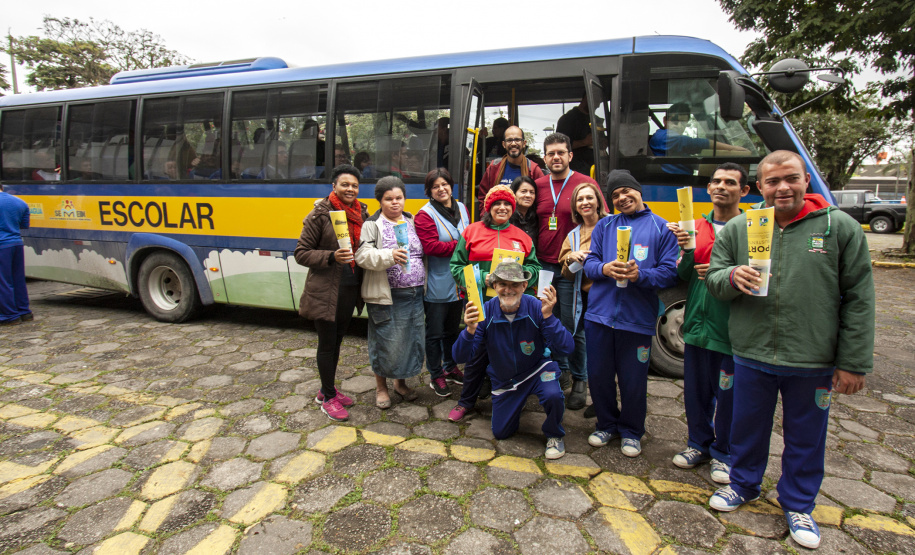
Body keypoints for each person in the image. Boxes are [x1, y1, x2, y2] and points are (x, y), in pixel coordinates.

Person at [705, 151, 874, 550]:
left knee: (806, 436)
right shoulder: (740, 228)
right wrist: (732, 276)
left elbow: (859, 298)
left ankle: (798, 503)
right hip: (751, 351)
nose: (783, 187)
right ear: (760, 187)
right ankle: (743, 484)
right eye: (773, 181)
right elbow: (713, 279)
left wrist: (853, 362)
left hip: (811, 357)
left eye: (791, 178)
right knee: (746, 426)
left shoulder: (839, 227)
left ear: (806, 181)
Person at [583, 169, 679, 457]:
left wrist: (641, 275)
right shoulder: (604, 226)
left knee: (633, 380)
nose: (622, 198)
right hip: (599, 316)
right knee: (598, 376)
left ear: (638, 191)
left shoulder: (662, 228)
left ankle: (632, 431)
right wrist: (604, 269)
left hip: (636, 319)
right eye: (615, 195)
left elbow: (669, 273)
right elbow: (589, 265)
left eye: (627, 191)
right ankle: (606, 424)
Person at [667, 162, 750, 484]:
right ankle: (697, 444)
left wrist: (726, 275)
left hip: (731, 327)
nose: (720, 187)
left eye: (730, 182)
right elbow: (683, 275)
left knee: (728, 394)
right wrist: (685, 250)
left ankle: (724, 453)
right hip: (698, 324)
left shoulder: (751, 228)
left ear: (743, 191)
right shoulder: (697, 226)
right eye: (716, 181)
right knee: (695, 392)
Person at [453, 260, 572, 459]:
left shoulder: (537, 306)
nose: (509, 290)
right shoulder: (485, 312)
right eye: (503, 284)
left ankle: (554, 434)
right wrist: (470, 330)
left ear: (524, 286)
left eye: (515, 284)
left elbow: (567, 347)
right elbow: (460, 357)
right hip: (506, 379)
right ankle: (516, 403)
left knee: (552, 394)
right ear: (494, 286)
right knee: (501, 433)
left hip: (537, 370)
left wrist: (549, 316)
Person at [448, 185, 541, 422]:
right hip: (480, 303)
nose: (502, 208)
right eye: (496, 204)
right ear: (488, 208)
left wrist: (521, 275)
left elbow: (535, 268)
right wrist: (482, 278)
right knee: (476, 353)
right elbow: (456, 266)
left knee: (512, 350)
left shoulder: (522, 237)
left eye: (507, 204)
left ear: (513, 208)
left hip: (512, 307)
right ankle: (465, 401)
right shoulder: (471, 232)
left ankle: (515, 396)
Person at [294, 164, 368, 421]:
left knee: (337, 341)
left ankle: (327, 389)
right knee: (327, 344)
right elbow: (301, 253)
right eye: (345, 184)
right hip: (325, 291)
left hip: (350, 288)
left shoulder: (361, 212)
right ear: (333, 186)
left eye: (355, 185)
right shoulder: (319, 215)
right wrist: (331, 256)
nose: (350, 189)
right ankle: (327, 397)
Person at [534, 132, 604, 392]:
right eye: (551, 153)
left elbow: (603, 221)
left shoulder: (585, 184)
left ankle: (580, 379)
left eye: (561, 152)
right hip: (543, 265)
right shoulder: (538, 184)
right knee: (548, 319)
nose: (556, 157)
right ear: (544, 157)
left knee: (573, 323)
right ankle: (560, 371)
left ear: (570, 155)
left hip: (572, 268)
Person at [355, 176, 426, 408]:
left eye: (399, 198)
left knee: (407, 341)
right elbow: (362, 256)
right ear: (380, 201)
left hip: (414, 295)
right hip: (387, 296)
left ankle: (400, 383)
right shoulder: (372, 224)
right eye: (389, 199)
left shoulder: (411, 220)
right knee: (384, 341)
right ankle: (381, 388)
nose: (395, 203)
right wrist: (389, 256)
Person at [415, 168, 470, 397]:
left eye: (445, 184)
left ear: (451, 185)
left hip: (460, 281)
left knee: (452, 330)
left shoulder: (462, 208)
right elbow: (430, 247)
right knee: (435, 332)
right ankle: (435, 374)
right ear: (429, 190)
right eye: (436, 186)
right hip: (438, 282)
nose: (441, 189)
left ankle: (450, 366)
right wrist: (462, 248)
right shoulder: (424, 215)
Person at [558, 181, 609, 410]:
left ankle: (604, 394)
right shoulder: (574, 235)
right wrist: (571, 259)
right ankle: (580, 381)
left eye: (589, 198)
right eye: (580, 200)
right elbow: (567, 274)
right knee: (577, 334)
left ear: (598, 200)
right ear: (575, 207)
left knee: (605, 342)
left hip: (607, 295)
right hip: (581, 293)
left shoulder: (612, 225)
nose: (585, 203)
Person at [649, 102, 749, 174]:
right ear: (665, 120)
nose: (679, 126)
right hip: (673, 185)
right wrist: (733, 149)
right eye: (675, 121)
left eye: (683, 123)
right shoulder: (662, 136)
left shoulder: (674, 144)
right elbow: (695, 144)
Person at [477, 126, 544, 216]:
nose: (513, 143)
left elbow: (542, 200)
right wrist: (487, 218)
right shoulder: (494, 167)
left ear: (524, 143)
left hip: (524, 225)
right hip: (498, 225)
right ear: (504, 144)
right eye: (509, 140)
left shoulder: (533, 170)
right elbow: (483, 197)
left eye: (517, 140)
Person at [0, 184, 32, 325]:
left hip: (1, 244)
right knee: (18, 279)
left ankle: (9, 315)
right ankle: (24, 311)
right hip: (16, 243)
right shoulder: (19, 202)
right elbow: (24, 224)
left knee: (3, 281)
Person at [556, 96, 605, 176]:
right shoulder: (567, 119)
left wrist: (603, 142)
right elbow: (559, 146)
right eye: (596, 101)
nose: (598, 106)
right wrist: (584, 142)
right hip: (575, 170)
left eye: (599, 103)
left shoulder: (597, 120)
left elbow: (603, 143)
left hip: (597, 168)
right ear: (586, 98)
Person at [509, 176, 538, 243]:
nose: (528, 195)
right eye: (523, 191)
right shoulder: (506, 216)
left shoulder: (536, 217)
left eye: (532, 192)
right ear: (514, 193)